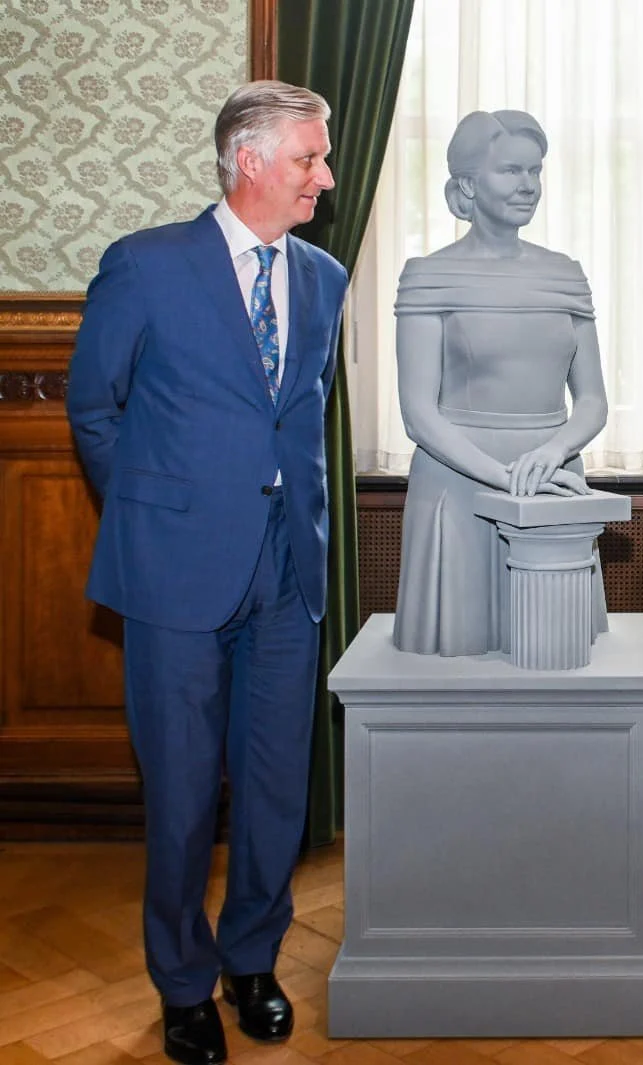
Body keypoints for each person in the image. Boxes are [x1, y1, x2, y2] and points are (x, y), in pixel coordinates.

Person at [66, 81, 346, 1064]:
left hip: (287, 579)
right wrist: (155, 515)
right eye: (311, 159)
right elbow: (94, 411)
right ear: (253, 160)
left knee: (276, 790)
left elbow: (300, 417)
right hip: (175, 577)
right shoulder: (145, 267)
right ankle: (182, 983)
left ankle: (252, 962)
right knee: (182, 793)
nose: (325, 176)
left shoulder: (323, 277)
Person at [390, 109, 608, 656]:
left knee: (555, 648)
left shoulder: (565, 274)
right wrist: (506, 480)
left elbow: (592, 400)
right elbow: (418, 414)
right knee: (460, 662)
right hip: (459, 481)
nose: (528, 185)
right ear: (466, 183)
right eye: (511, 171)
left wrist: (554, 454)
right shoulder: (428, 275)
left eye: (535, 171)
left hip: (552, 477)